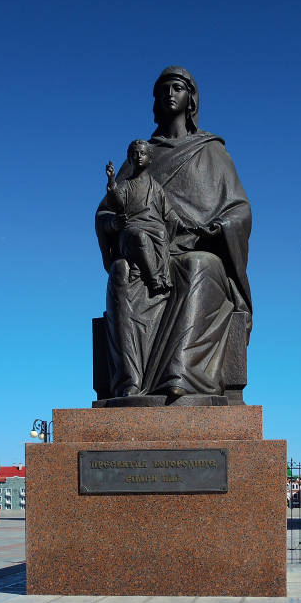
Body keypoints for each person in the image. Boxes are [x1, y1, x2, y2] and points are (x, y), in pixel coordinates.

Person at [95, 66, 252, 399]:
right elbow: (107, 209)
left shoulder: (211, 150)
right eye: (163, 89)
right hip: (147, 251)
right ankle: (129, 382)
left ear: (190, 98)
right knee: (122, 271)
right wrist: (115, 224)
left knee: (200, 265)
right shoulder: (139, 155)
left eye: (177, 87)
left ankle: (181, 375)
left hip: (194, 248)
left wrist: (219, 227)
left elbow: (240, 209)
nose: (169, 93)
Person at [104, 140, 180, 299]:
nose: (139, 156)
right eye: (135, 154)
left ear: (150, 159)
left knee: (161, 234)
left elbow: (169, 213)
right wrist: (112, 182)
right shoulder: (125, 185)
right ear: (129, 159)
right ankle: (154, 279)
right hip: (131, 229)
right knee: (140, 237)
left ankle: (164, 277)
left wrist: (186, 226)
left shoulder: (156, 187)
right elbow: (117, 204)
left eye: (143, 153)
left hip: (154, 227)